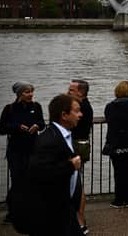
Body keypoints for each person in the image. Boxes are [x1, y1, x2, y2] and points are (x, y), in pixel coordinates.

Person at [28, 94, 83, 236]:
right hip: (52, 212)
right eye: (76, 111)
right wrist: (70, 166)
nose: (80, 115)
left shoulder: (65, 135)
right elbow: (39, 173)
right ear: (64, 115)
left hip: (65, 208)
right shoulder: (47, 140)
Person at [0, 82, 45, 225]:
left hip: (33, 150)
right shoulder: (9, 109)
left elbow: (42, 123)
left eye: (31, 91)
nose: (30, 94)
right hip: (16, 152)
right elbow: (2, 129)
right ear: (19, 94)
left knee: (32, 180)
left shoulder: (36, 107)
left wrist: (38, 126)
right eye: (27, 92)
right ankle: (12, 213)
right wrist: (17, 127)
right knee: (18, 181)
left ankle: (30, 210)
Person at [104, 81, 128, 208]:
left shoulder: (110, 106)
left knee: (119, 171)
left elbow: (109, 120)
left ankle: (119, 199)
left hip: (116, 144)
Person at [68, 79, 93, 236]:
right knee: (74, 183)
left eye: (71, 90)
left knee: (76, 184)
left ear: (80, 93)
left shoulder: (81, 108)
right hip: (79, 145)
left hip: (77, 146)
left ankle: (80, 221)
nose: (68, 92)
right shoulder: (82, 105)